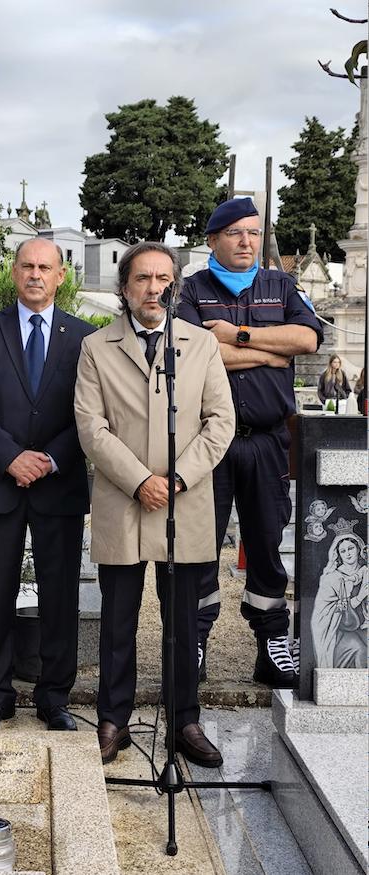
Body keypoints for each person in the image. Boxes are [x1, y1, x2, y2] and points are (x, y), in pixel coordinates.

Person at [74, 241, 234, 766]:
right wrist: (140, 479)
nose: (153, 287)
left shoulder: (200, 345)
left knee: (182, 623)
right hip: (123, 503)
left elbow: (220, 422)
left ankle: (184, 721)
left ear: (174, 286)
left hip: (183, 506)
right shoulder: (97, 348)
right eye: (142, 278)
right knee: (118, 622)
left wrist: (179, 479)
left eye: (163, 278)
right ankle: (113, 721)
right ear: (125, 287)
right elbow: (91, 428)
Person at [177, 198, 323, 688]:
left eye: (254, 233)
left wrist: (238, 336)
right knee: (200, 547)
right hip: (207, 444)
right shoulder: (192, 290)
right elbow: (193, 356)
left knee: (266, 544)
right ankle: (195, 643)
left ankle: (271, 645)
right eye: (235, 233)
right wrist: (269, 352)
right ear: (213, 239)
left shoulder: (279, 285)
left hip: (266, 442)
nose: (246, 242)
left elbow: (306, 341)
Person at [0, 238, 95, 731]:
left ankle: (54, 695)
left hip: (58, 485)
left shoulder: (85, 337)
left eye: (45, 267)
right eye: (27, 266)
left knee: (60, 593)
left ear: (62, 276)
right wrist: (11, 457)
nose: (36, 274)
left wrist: (51, 458)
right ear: (13, 274)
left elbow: (91, 412)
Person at [311, 528, 367, 669]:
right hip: (339, 631)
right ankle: (359, 688)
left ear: (358, 549)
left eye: (351, 548)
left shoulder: (365, 571)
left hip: (364, 626)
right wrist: (359, 597)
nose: (348, 553)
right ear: (338, 555)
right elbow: (324, 612)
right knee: (360, 649)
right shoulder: (332, 578)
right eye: (343, 551)